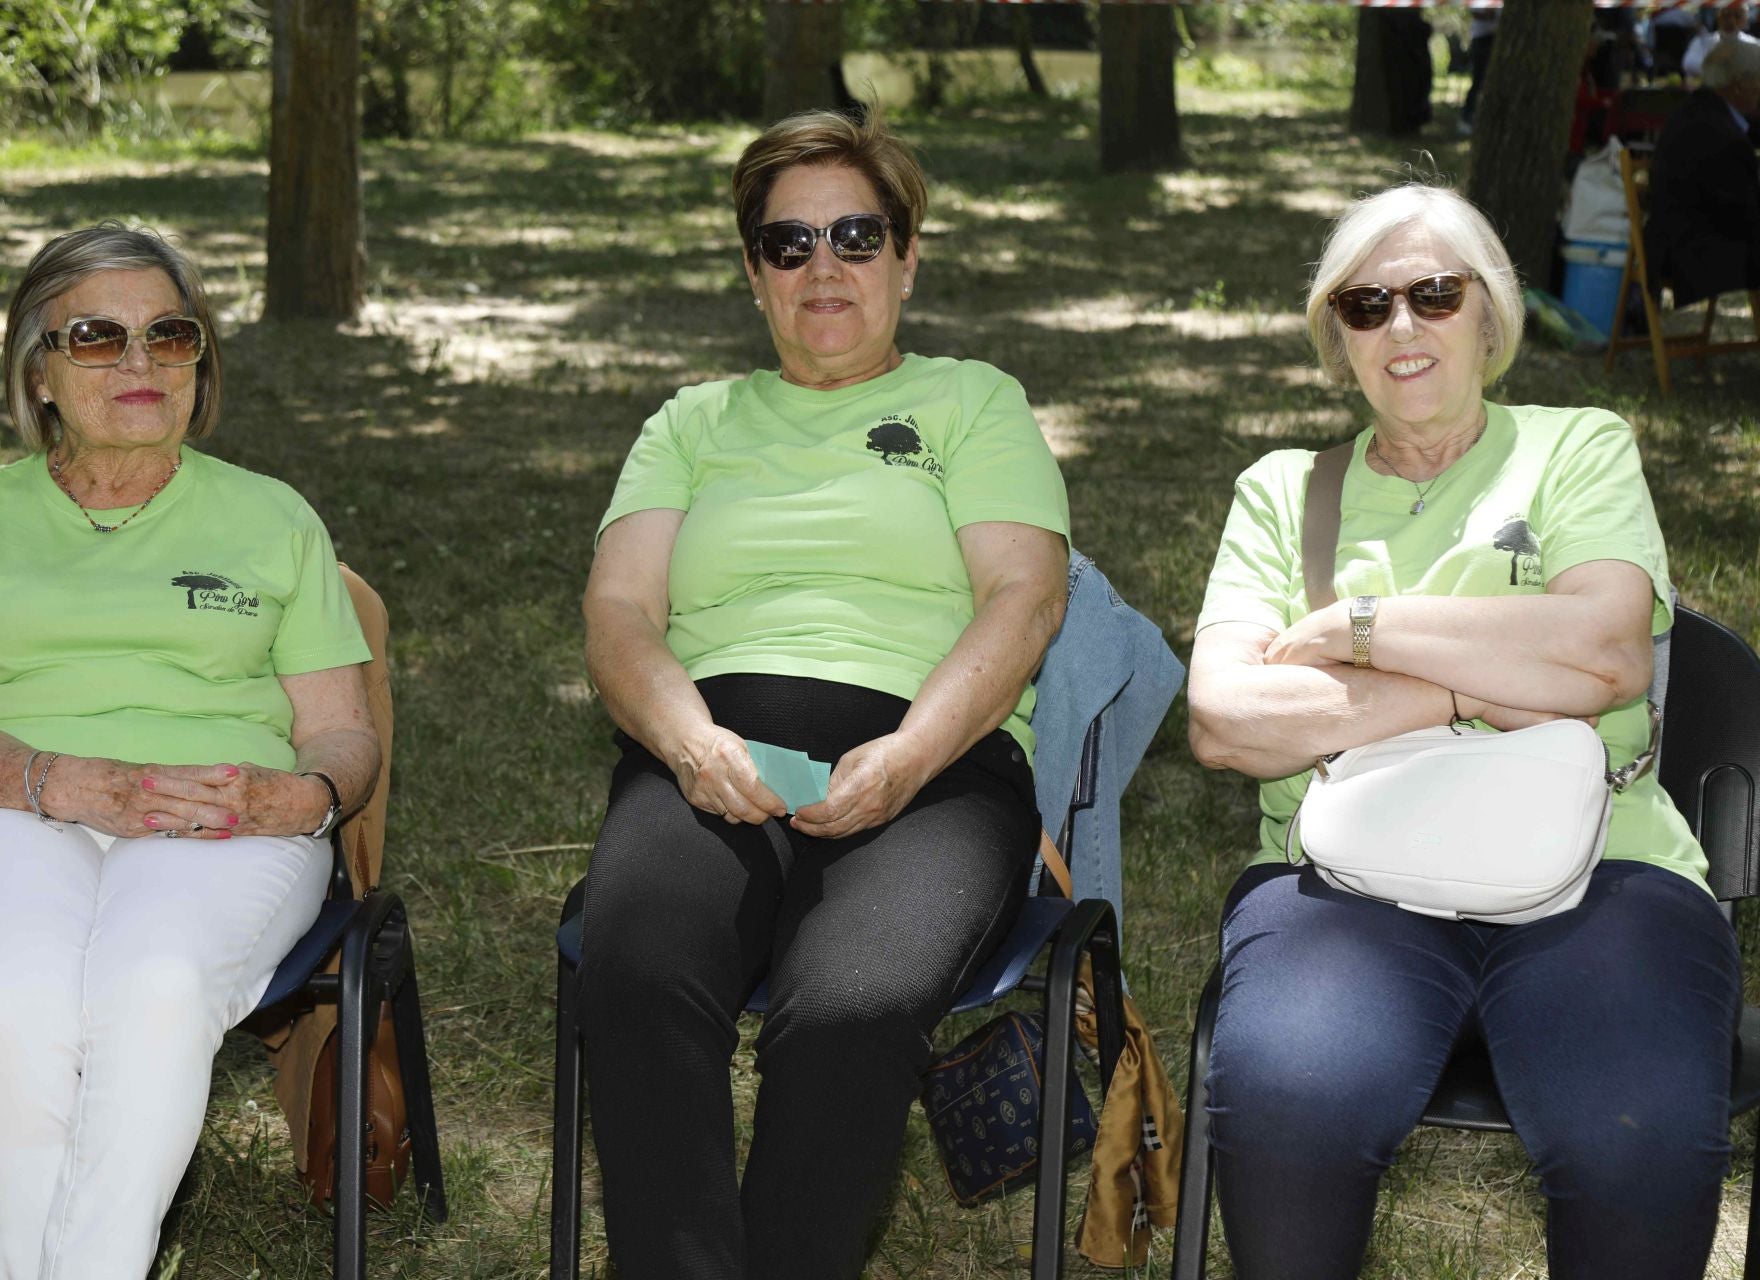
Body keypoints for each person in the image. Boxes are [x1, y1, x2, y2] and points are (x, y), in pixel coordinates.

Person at [1186, 184, 1739, 1280]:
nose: (1402, 326)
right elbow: (1227, 718)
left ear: (1490, 316)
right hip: (1337, 875)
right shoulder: (1282, 492)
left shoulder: (1578, 447)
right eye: (1365, 304)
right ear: (1335, 339)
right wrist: (1479, 684)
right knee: (1289, 1100)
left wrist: (1363, 628)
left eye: (1436, 294)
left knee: (1640, 1128)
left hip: (1607, 864)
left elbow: (1605, 657)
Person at [575, 109, 1070, 1280]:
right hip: (712, 747)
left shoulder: (973, 402)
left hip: (935, 758)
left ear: (908, 253)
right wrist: (690, 740)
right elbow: (618, 617)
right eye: (788, 243)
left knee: (848, 1009)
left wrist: (907, 754)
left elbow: (1023, 598)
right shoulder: (693, 422)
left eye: (857, 233)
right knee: (638, 976)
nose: (825, 266)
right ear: (753, 273)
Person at [0, 223, 378, 1278]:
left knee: (154, 981)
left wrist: (307, 795)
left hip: (216, 810)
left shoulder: (273, 518)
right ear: (41, 374)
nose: (141, 363)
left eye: (170, 334)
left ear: (201, 361)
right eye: (96, 338)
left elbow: (341, 729)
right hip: (1, 803)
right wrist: (53, 780)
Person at [1649, 39, 1760, 309]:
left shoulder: (1701, 111)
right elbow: (1746, 214)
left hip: (1676, 237)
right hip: (1695, 250)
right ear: (1739, 85)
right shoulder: (1719, 133)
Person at [1682, 1, 1759, 81]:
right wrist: (1714, 60)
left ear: (1745, 20)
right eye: (1726, 15)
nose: (1731, 21)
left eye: (1737, 16)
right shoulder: (1703, 41)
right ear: (1718, 17)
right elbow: (1688, 65)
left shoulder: (1754, 44)